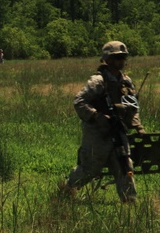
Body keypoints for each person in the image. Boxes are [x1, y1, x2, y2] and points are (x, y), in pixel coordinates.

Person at [61, 41, 145, 203]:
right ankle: (65, 192)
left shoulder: (126, 82)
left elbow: (132, 107)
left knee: (124, 167)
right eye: (117, 57)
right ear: (108, 59)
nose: (121, 61)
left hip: (118, 132)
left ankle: (129, 202)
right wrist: (97, 116)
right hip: (97, 134)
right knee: (89, 169)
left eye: (123, 57)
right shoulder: (98, 81)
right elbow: (79, 101)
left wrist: (137, 126)